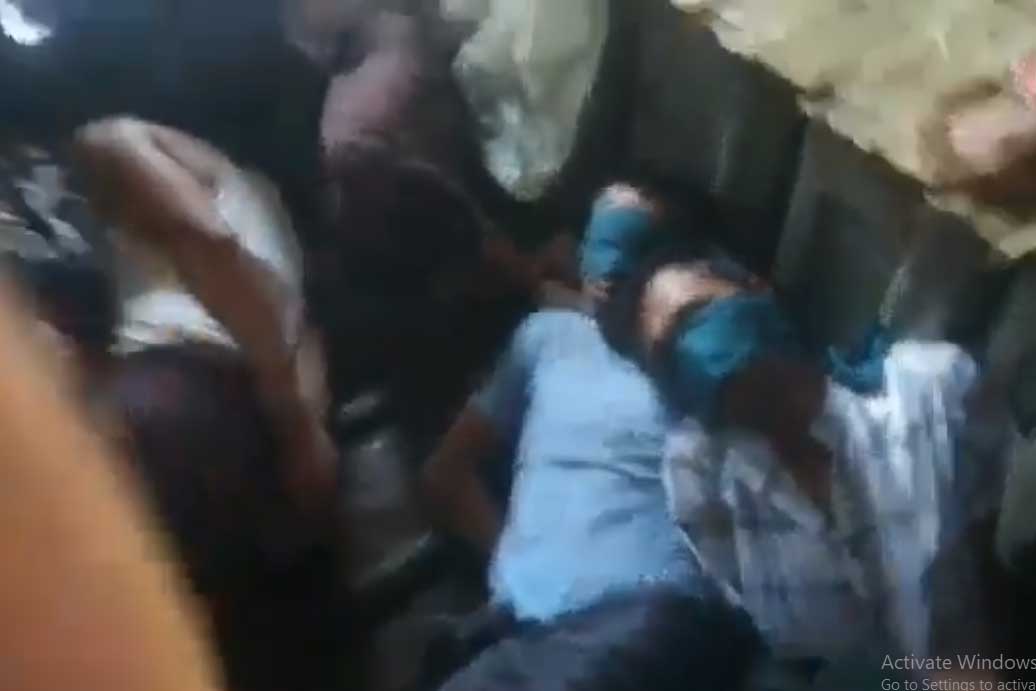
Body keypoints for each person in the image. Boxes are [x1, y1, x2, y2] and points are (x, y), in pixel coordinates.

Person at [8, 116, 354, 691]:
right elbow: (289, 318)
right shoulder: (255, 190)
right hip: (247, 396)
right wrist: (302, 420)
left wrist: (295, 422)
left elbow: (208, 241)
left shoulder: (114, 140)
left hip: (178, 390)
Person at [600, 232, 1015, 684]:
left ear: (756, 289)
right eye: (667, 355)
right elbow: (775, 631)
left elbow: (1006, 553)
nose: (692, 351)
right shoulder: (701, 475)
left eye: (696, 315)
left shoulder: (929, 389)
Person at [421, 183, 711, 630]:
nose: (609, 270)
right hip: (521, 626)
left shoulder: (713, 364)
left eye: (628, 239)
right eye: (601, 240)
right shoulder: (549, 335)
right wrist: (512, 571)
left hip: (644, 625)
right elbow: (444, 474)